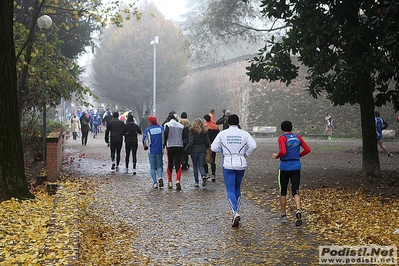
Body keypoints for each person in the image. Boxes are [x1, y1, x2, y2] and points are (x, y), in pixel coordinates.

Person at [211, 114, 257, 227]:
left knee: (230, 190)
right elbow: (253, 145)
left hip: (228, 162)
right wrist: (246, 153)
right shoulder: (244, 133)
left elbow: (213, 148)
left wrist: (223, 150)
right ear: (238, 122)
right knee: (237, 188)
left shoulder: (222, 134)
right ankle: (236, 211)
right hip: (241, 162)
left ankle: (235, 212)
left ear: (228, 123)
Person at [272, 121, 311, 227]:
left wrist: (277, 155)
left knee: (283, 191)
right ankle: (298, 210)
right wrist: (298, 156)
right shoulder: (297, 137)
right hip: (296, 166)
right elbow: (307, 149)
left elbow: (283, 151)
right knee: (296, 190)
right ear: (291, 128)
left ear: (282, 129)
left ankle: (283, 215)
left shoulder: (282, 138)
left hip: (284, 167)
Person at [185, 118, 211, 187]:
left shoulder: (192, 131)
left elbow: (191, 142)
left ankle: (196, 182)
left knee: (195, 166)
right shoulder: (204, 131)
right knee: (201, 165)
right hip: (202, 150)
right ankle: (203, 176)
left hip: (194, 150)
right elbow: (206, 142)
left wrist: (186, 149)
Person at [164, 112, 185, 190]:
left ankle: (170, 182)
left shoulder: (167, 125)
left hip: (170, 146)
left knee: (170, 163)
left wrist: (165, 143)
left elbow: (165, 134)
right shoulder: (181, 126)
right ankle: (178, 180)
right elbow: (184, 136)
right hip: (179, 146)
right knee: (178, 164)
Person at [142, 116, 165, 188]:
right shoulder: (161, 128)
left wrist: (145, 146)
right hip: (159, 150)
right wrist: (163, 145)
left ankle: (155, 183)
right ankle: (160, 177)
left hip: (151, 150)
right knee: (159, 166)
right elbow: (164, 138)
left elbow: (144, 140)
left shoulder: (147, 130)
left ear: (150, 122)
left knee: (152, 167)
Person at [203, 114, 220, 181]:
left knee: (205, 160)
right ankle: (213, 174)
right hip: (214, 145)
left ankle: (206, 173)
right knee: (213, 160)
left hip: (206, 146)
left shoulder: (204, 126)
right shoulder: (215, 126)